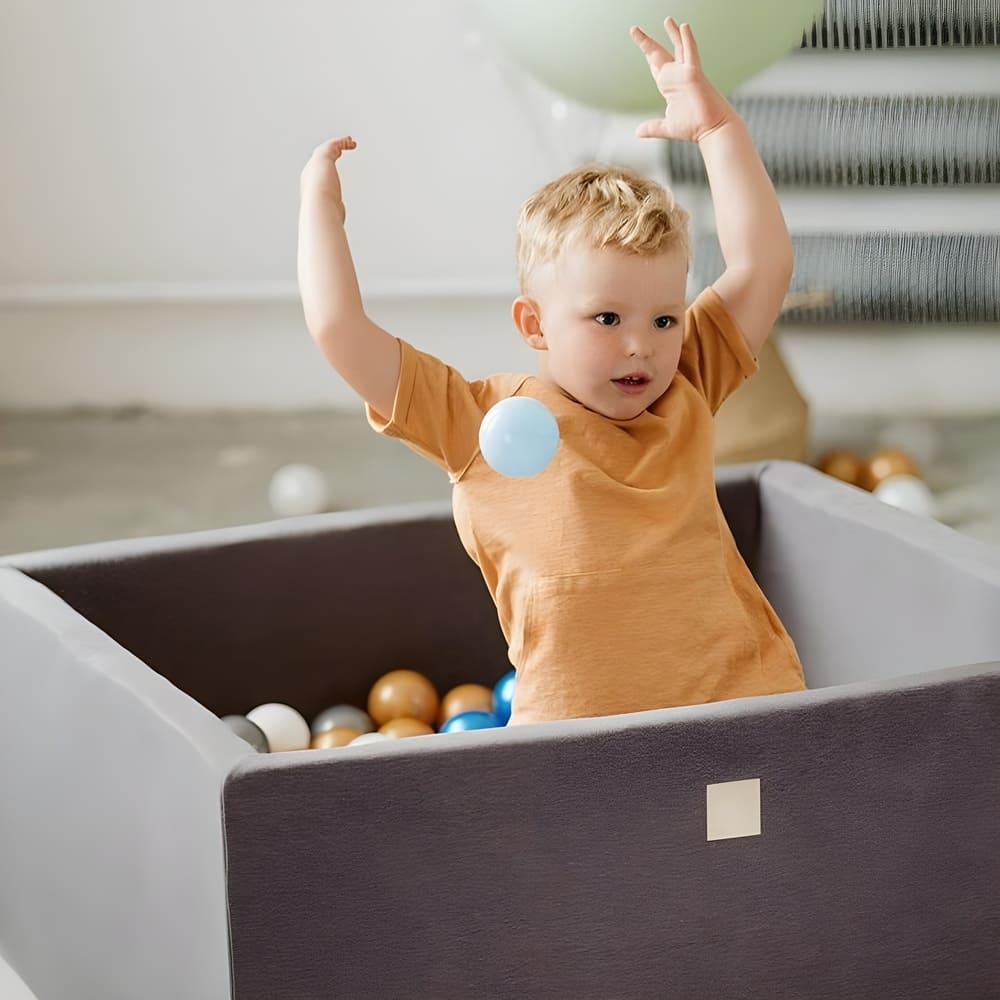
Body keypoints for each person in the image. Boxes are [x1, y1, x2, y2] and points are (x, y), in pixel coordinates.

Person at [297, 17, 807, 725]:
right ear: (533, 324)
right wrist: (319, 209)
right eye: (606, 319)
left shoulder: (687, 382)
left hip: (741, 710)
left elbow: (763, 265)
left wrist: (719, 133)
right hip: (573, 748)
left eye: (664, 319)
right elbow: (339, 330)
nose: (642, 347)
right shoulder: (476, 421)